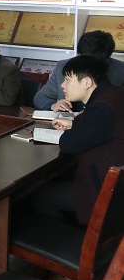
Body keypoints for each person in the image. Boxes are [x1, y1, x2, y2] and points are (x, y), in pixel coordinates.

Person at [29, 55, 124, 225]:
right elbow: (98, 124)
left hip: (102, 189)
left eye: (68, 79)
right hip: (116, 184)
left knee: (40, 194)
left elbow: (69, 144)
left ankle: (67, 238)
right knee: (56, 176)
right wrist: (73, 124)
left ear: (87, 82)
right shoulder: (115, 93)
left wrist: (72, 129)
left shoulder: (101, 109)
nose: (63, 85)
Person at [34, 30, 124, 112]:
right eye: (83, 59)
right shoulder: (64, 67)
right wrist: (52, 105)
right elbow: (40, 97)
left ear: (107, 57)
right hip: (68, 119)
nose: (89, 66)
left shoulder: (121, 70)